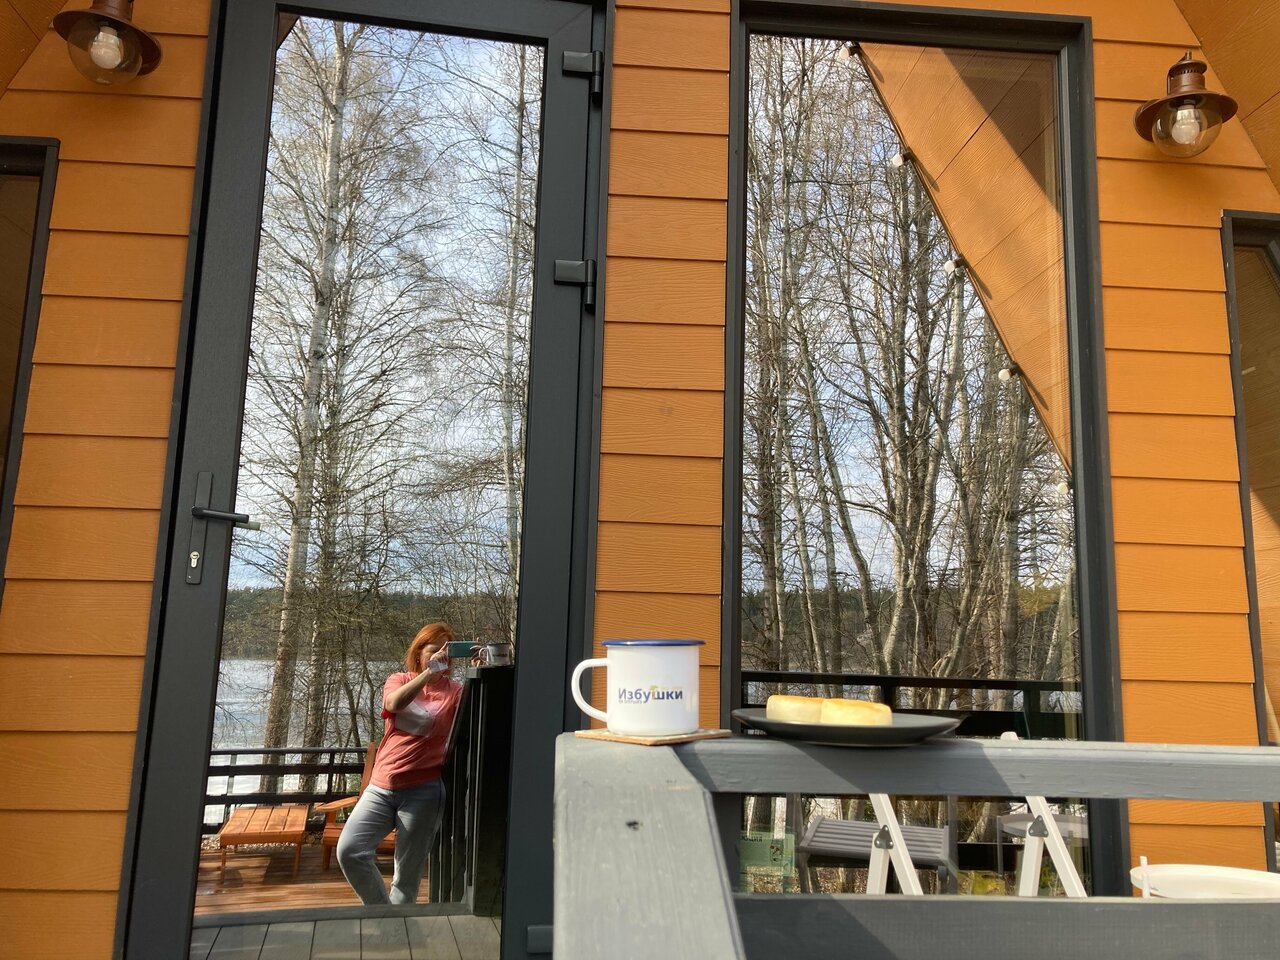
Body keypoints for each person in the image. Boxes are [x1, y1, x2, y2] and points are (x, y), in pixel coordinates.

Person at [336, 622, 464, 904]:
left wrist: (486, 671)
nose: (443, 655)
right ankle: (384, 916)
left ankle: (394, 926)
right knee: (350, 851)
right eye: (435, 649)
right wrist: (428, 674)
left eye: (448, 650)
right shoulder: (399, 679)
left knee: (406, 877)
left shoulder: (456, 692)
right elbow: (393, 704)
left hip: (424, 791)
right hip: (381, 787)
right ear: (419, 653)